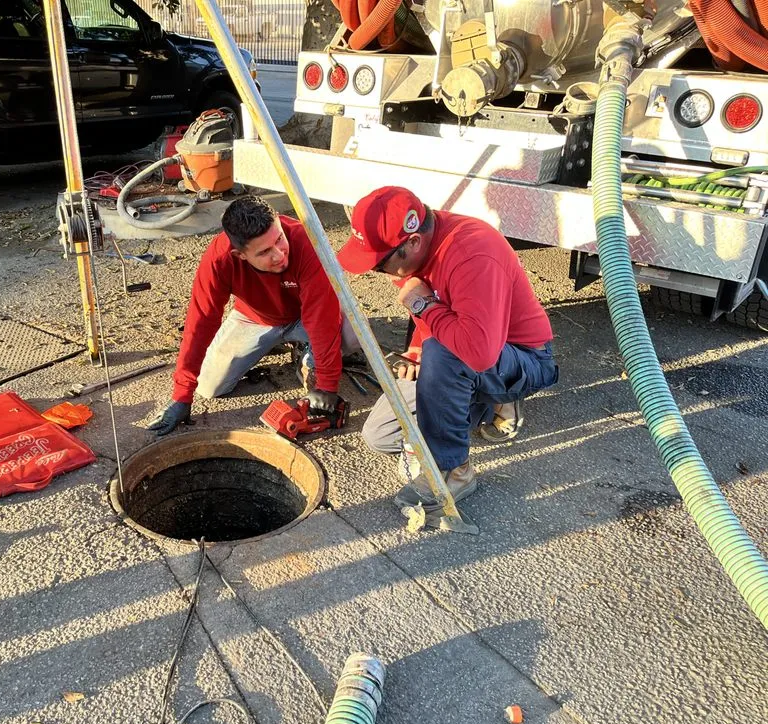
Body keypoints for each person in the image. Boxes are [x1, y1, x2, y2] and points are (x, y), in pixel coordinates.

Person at [337, 186, 559, 516]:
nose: (377, 273)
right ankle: (485, 402)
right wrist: (415, 349)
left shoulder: (472, 254)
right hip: (462, 350)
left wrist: (424, 306)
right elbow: (428, 308)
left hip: (521, 357)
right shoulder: (408, 255)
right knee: (380, 435)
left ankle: (454, 472)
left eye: (379, 265)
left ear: (412, 242)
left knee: (445, 351)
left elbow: (476, 352)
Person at [148, 195, 355, 435]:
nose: (279, 254)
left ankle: (305, 352)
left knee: (353, 336)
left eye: (279, 239)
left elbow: (321, 318)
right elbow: (200, 322)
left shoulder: (307, 241)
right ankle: (276, 344)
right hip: (255, 319)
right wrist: (182, 395)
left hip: (304, 315)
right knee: (210, 386)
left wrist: (327, 385)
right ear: (240, 255)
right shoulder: (220, 259)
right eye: (265, 251)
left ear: (278, 222)